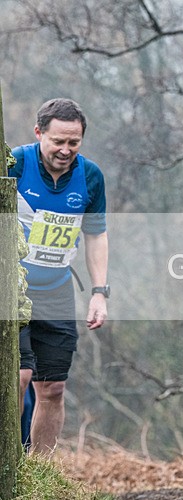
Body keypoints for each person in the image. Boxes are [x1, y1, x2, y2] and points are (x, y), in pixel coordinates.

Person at [11, 98, 110, 454]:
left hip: (56, 289)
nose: (65, 150)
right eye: (58, 141)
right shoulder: (15, 164)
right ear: (39, 133)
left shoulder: (90, 176)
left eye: (74, 142)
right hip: (11, 289)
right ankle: (9, 471)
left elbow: (95, 235)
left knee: (52, 388)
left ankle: (39, 479)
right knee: (17, 377)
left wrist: (99, 292)